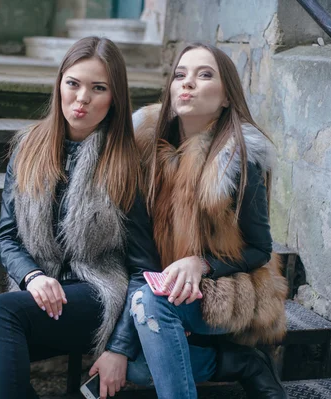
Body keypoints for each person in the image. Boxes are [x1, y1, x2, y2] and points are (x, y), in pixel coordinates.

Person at [0, 36, 161, 399]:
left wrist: (120, 347)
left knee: (0, 312)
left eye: (98, 88)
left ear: (115, 98)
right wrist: (32, 277)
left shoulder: (128, 163)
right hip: (44, 293)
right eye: (73, 83)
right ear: (59, 83)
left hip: (100, 294)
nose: (82, 98)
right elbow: (7, 235)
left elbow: (144, 267)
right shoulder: (29, 147)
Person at [129, 43, 289, 398]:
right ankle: (239, 362)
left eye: (204, 75)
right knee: (136, 368)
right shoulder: (145, 146)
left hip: (231, 286)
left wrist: (200, 264)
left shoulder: (236, 158)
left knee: (148, 304)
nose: (187, 84)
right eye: (180, 75)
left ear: (227, 97)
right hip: (166, 284)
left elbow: (260, 250)